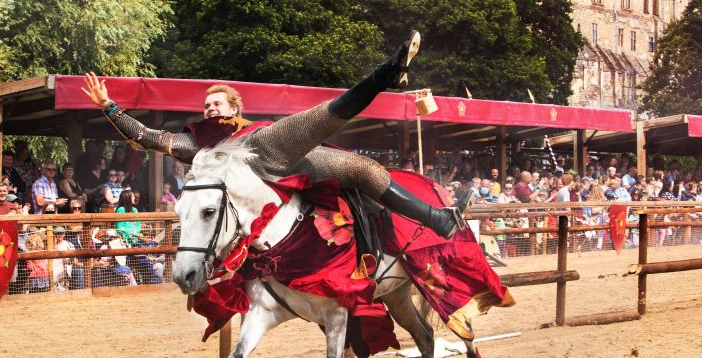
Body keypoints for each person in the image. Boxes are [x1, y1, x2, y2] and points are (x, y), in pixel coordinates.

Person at [81, 33, 463, 239]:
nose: (210, 109)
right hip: (250, 181)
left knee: (356, 158)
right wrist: (108, 106)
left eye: (218, 104)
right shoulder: (197, 142)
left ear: (234, 108)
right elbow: (146, 135)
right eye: (207, 106)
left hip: (266, 148)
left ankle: (389, 75)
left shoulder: (253, 129)